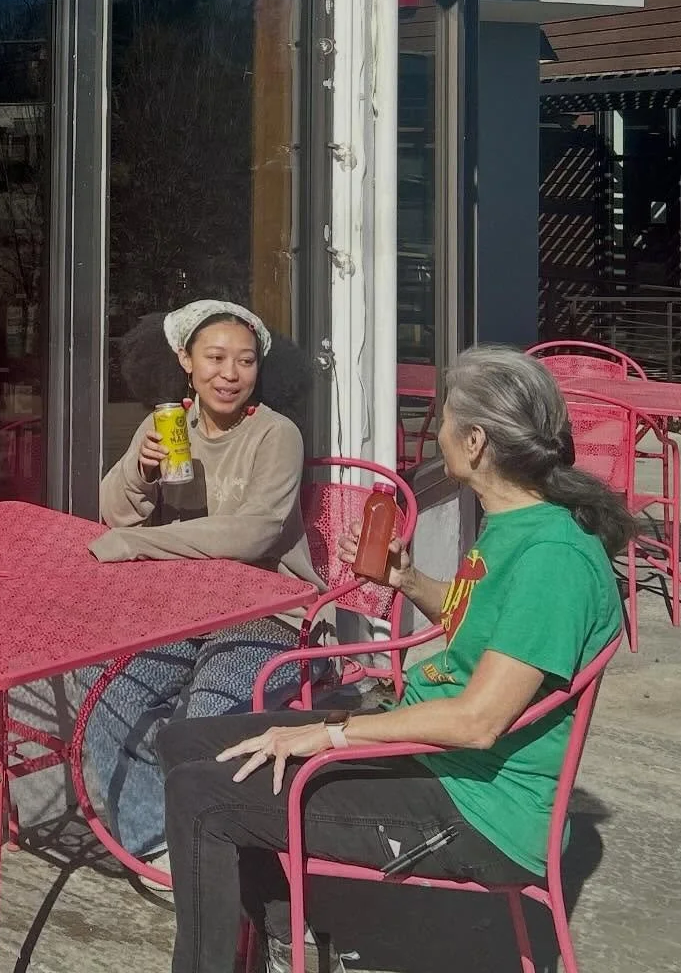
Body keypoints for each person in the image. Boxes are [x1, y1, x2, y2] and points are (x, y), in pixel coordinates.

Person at [158, 346, 632, 973]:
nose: (435, 431)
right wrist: (409, 580)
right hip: (435, 758)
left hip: (481, 806)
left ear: (476, 441)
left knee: (204, 798)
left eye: (444, 418)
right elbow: (481, 624)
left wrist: (330, 733)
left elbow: (476, 722)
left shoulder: (553, 559)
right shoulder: (513, 522)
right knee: (185, 743)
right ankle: (284, 940)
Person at [79, 301, 320, 862]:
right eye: (214, 358)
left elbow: (253, 535)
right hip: (182, 611)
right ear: (186, 362)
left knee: (203, 724)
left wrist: (140, 545)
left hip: (269, 616)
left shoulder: (276, 434)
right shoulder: (167, 424)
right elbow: (117, 515)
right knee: (108, 701)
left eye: (244, 361)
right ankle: (161, 847)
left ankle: (215, 853)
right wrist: (137, 469)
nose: (229, 375)